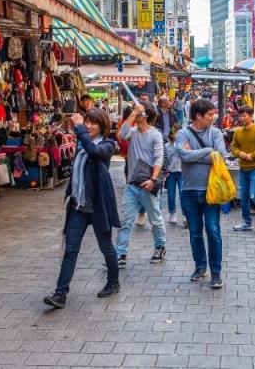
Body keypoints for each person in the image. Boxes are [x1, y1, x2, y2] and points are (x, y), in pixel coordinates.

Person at [44, 109, 121, 308]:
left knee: (106, 247)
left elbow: (95, 153)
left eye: (93, 123)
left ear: (103, 126)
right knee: (71, 250)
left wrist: (79, 129)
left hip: (98, 207)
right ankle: (60, 293)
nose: (88, 126)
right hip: (79, 205)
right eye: (87, 122)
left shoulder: (107, 145)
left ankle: (113, 282)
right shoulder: (81, 145)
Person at [176, 98, 227, 289]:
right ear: (198, 116)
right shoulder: (182, 133)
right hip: (189, 190)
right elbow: (183, 156)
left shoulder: (216, 132)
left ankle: (215, 272)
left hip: (211, 191)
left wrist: (196, 154)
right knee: (195, 233)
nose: (213, 118)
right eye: (210, 115)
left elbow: (220, 156)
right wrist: (208, 151)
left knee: (213, 231)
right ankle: (200, 267)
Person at [116, 101, 167, 266]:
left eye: (138, 112)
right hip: (132, 184)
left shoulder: (155, 135)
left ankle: (160, 246)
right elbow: (121, 134)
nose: (134, 114)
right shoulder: (132, 132)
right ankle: (120, 253)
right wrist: (133, 113)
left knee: (155, 219)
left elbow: (159, 158)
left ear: (146, 115)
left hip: (148, 184)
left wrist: (153, 179)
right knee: (125, 220)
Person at [164, 126, 183, 225]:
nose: (176, 135)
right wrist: (165, 171)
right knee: (171, 195)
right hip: (170, 173)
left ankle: (185, 215)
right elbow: (165, 160)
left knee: (183, 194)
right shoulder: (167, 146)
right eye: (175, 133)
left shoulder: (184, 145)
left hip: (182, 173)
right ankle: (172, 213)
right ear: (171, 134)